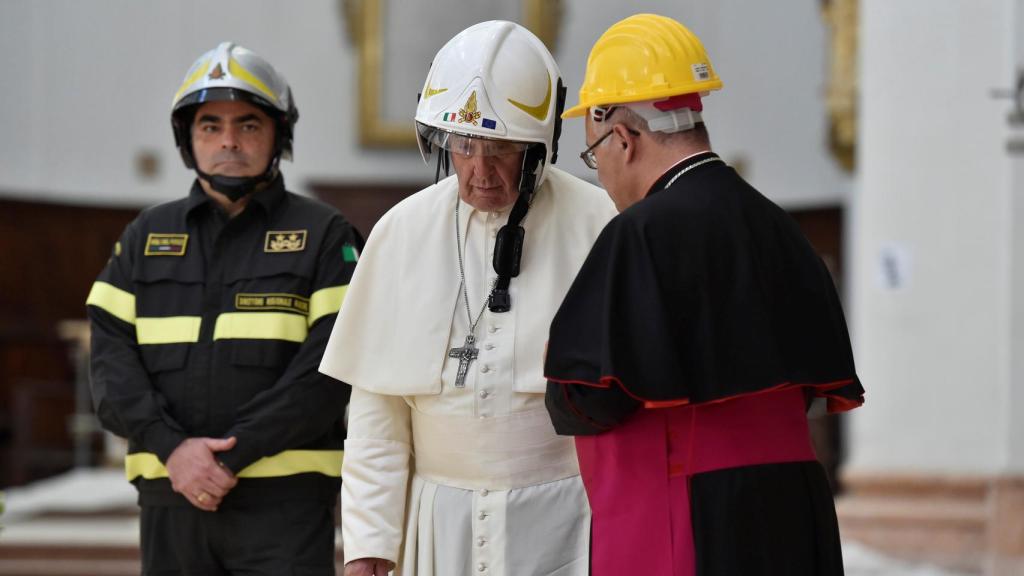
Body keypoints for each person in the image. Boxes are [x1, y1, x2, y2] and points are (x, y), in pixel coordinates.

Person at [544, 14, 866, 576]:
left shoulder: (640, 234)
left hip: (692, 509)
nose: (604, 175)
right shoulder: (780, 227)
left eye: (595, 155)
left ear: (623, 137)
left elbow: (590, 397)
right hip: (794, 503)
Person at [319, 20, 617, 576]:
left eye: (500, 147)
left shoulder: (600, 224)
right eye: (463, 145)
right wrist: (368, 548)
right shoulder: (400, 232)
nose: (479, 171)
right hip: (437, 524)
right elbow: (376, 420)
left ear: (537, 147)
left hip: (569, 522)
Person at [86, 41, 360, 574]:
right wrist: (176, 452)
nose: (229, 141)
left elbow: (330, 370)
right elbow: (110, 364)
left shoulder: (325, 234)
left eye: (249, 125)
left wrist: (227, 458)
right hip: (172, 499)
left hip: (286, 506)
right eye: (210, 126)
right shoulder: (146, 236)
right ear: (188, 139)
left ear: (279, 134)